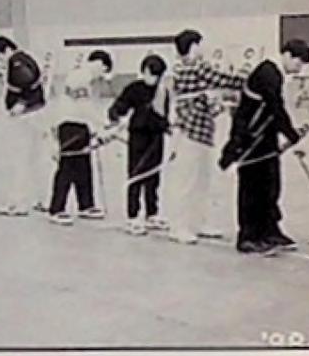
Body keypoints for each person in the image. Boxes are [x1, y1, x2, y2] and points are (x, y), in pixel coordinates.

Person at [220, 39, 309, 254]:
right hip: (250, 138)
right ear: (287, 55)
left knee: (270, 185)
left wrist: (288, 133)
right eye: (298, 62)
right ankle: (248, 236)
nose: (299, 69)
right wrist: (291, 134)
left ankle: (270, 230)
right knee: (252, 188)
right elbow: (275, 107)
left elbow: (274, 110)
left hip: (265, 137)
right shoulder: (268, 73)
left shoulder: (274, 74)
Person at [168, 29, 249, 244]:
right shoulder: (191, 67)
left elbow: (206, 96)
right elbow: (220, 79)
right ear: (193, 46)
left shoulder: (188, 68)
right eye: (200, 44)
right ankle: (178, 226)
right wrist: (247, 79)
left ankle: (199, 222)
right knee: (187, 182)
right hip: (190, 133)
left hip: (202, 133)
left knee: (202, 182)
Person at [108, 54, 173, 236]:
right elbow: (120, 106)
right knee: (136, 174)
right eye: (151, 74)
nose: (154, 79)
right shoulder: (134, 88)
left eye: (158, 75)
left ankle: (152, 212)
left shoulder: (162, 92)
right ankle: (132, 215)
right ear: (144, 71)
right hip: (138, 136)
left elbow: (164, 115)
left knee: (153, 175)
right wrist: (115, 116)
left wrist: (167, 127)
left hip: (156, 136)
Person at [47, 50, 112, 225]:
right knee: (67, 167)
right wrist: (103, 122)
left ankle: (86, 204)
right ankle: (56, 208)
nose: (101, 75)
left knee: (83, 167)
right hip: (69, 125)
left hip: (80, 125)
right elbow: (84, 106)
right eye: (104, 70)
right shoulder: (80, 77)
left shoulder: (84, 77)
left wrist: (93, 127)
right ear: (100, 64)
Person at [0, 35, 50, 216]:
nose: (1, 62)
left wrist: (21, 102)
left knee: (20, 160)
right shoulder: (27, 57)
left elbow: (26, 79)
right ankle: (44, 199)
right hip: (38, 113)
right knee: (37, 159)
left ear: (5, 51)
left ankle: (17, 202)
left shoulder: (16, 61)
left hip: (26, 117)